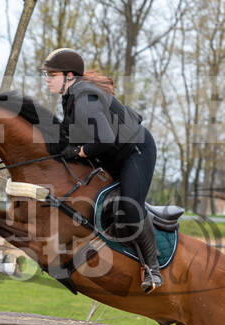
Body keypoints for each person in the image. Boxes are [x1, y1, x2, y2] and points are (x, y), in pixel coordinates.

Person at [40, 48, 163, 293]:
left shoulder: (85, 98)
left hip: (136, 152)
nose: (46, 79)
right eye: (46, 74)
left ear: (69, 76)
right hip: (113, 154)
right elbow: (65, 138)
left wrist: (79, 153)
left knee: (129, 205)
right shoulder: (70, 96)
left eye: (51, 74)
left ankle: (153, 268)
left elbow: (104, 140)